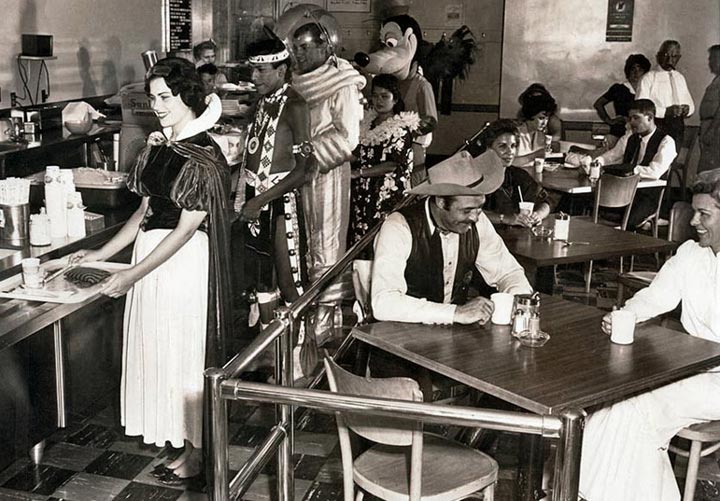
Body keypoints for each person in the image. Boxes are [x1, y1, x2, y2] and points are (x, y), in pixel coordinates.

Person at [70, 57, 232, 483]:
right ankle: (182, 444)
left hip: (181, 265)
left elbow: (183, 230)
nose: (157, 105)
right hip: (152, 258)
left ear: (188, 96)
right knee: (160, 350)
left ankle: (198, 453)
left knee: (183, 354)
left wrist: (133, 273)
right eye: (153, 97)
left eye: (165, 97)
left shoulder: (203, 155)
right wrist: (102, 255)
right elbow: (144, 213)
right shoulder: (160, 146)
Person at [579, 168, 720, 501]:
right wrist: (625, 315)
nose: (693, 222)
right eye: (695, 211)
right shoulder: (691, 254)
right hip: (693, 371)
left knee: (634, 409)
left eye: (705, 214)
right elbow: (655, 296)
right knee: (611, 404)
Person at [371, 150, 533, 326]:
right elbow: (384, 303)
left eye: (479, 208)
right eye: (466, 210)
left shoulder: (476, 223)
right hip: (400, 336)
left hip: (453, 337)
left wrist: (519, 300)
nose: (475, 217)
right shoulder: (398, 227)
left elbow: (508, 272)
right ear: (441, 202)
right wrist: (456, 312)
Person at [286, 17, 366, 345]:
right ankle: (305, 314)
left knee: (326, 242)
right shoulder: (297, 81)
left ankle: (326, 322)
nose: (298, 55)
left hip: (327, 173)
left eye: (305, 48)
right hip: (298, 173)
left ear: (325, 47)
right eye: (295, 49)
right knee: (302, 241)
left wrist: (307, 151)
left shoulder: (342, 81)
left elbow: (347, 137)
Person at [234, 38, 312, 324]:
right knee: (262, 280)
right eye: (252, 70)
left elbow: (305, 169)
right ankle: (268, 351)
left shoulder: (295, 105)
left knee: (290, 282)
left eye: (262, 71)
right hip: (256, 199)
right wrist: (245, 197)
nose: (254, 78)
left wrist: (260, 200)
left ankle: (299, 356)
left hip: (281, 202)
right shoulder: (262, 103)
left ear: (281, 70)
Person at [583, 99, 677, 230]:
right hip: (623, 190)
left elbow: (655, 172)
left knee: (627, 221)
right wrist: (595, 163)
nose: (631, 122)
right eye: (630, 118)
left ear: (650, 117)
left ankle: (640, 225)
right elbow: (612, 155)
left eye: (636, 118)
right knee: (588, 204)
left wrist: (627, 170)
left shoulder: (666, 142)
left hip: (647, 195)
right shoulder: (630, 138)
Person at [349, 74, 419, 246]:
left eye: (385, 96)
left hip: (386, 194)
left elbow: (393, 164)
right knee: (360, 240)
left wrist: (359, 173)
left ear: (395, 99)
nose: (379, 101)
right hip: (363, 193)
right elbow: (357, 153)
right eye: (375, 95)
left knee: (383, 241)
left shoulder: (401, 128)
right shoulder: (366, 122)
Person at [479, 119, 553, 227]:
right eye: (503, 146)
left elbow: (546, 202)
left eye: (513, 146)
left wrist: (537, 215)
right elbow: (468, 212)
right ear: (488, 148)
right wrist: (505, 219)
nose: (510, 152)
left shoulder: (518, 175)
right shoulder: (477, 176)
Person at [637, 40, 695, 145]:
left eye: (674, 57)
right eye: (665, 55)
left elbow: (690, 103)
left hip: (677, 126)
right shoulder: (648, 78)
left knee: (672, 157)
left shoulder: (679, 78)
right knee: (656, 159)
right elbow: (640, 107)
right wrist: (665, 112)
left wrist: (688, 109)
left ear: (679, 58)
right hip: (657, 125)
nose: (669, 60)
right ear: (658, 56)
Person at [594, 54, 652, 141]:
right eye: (633, 69)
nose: (636, 73)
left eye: (640, 70)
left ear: (645, 72)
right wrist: (609, 120)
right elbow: (598, 104)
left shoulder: (649, 89)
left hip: (642, 133)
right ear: (628, 71)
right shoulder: (618, 88)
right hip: (619, 133)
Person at [513, 91, 557, 167]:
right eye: (541, 118)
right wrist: (535, 155)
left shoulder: (540, 135)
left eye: (547, 119)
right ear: (530, 116)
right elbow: (508, 163)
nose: (545, 123)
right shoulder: (515, 134)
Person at [698, 45, 720, 173]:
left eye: (713, 58)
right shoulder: (716, 80)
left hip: (716, 130)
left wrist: (711, 131)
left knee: (712, 171)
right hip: (709, 127)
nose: (710, 62)